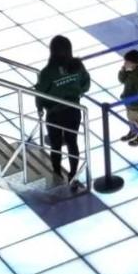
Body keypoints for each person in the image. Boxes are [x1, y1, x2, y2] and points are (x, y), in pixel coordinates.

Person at [34, 35, 90, 182]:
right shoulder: (77, 66)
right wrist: (77, 92)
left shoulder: (47, 72)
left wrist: (40, 108)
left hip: (55, 113)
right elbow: (86, 84)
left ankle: (57, 173)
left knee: (56, 144)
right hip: (73, 110)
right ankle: (73, 174)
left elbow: (40, 93)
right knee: (72, 142)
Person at [116, 49, 138, 146]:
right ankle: (133, 132)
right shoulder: (130, 71)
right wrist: (123, 71)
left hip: (135, 103)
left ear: (133, 63)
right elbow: (122, 80)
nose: (125, 63)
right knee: (131, 118)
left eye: (127, 62)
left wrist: (134, 102)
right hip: (128, 101)